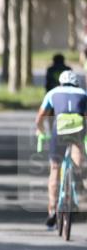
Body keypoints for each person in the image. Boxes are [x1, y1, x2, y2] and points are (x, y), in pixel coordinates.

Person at [34, 69, 86, 228]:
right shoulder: (83, 93)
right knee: (77, 161)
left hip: (59, 130)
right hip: (77, 130)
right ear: (76, 83)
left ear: (61, 82)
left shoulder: (53, 92)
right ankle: (76, 180)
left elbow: (40, 117)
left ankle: (52, 209)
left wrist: (40, 130)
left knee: (55, 169)